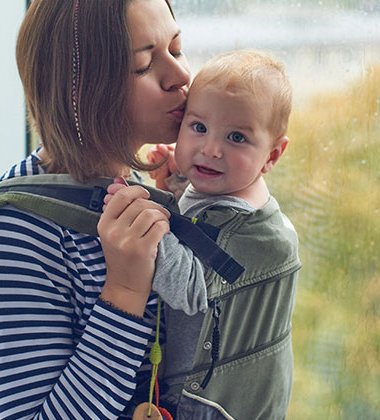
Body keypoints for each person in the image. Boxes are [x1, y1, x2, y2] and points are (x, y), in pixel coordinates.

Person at [0, 0, 191, 419]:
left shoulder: (142, 189)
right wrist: (124, 291)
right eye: (143, 65)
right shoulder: (11, 230)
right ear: (79, 88)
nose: (181, 76)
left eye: (176, 50)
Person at [108, 49, 300, 419]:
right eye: (198, 128)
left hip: (213, 406)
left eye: (236, 138)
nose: (211, 149)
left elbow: (191, 289)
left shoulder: (258, 237)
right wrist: (178, 184)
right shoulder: (223, 189)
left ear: (272, 156)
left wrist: (142, 218)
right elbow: (201, 221)